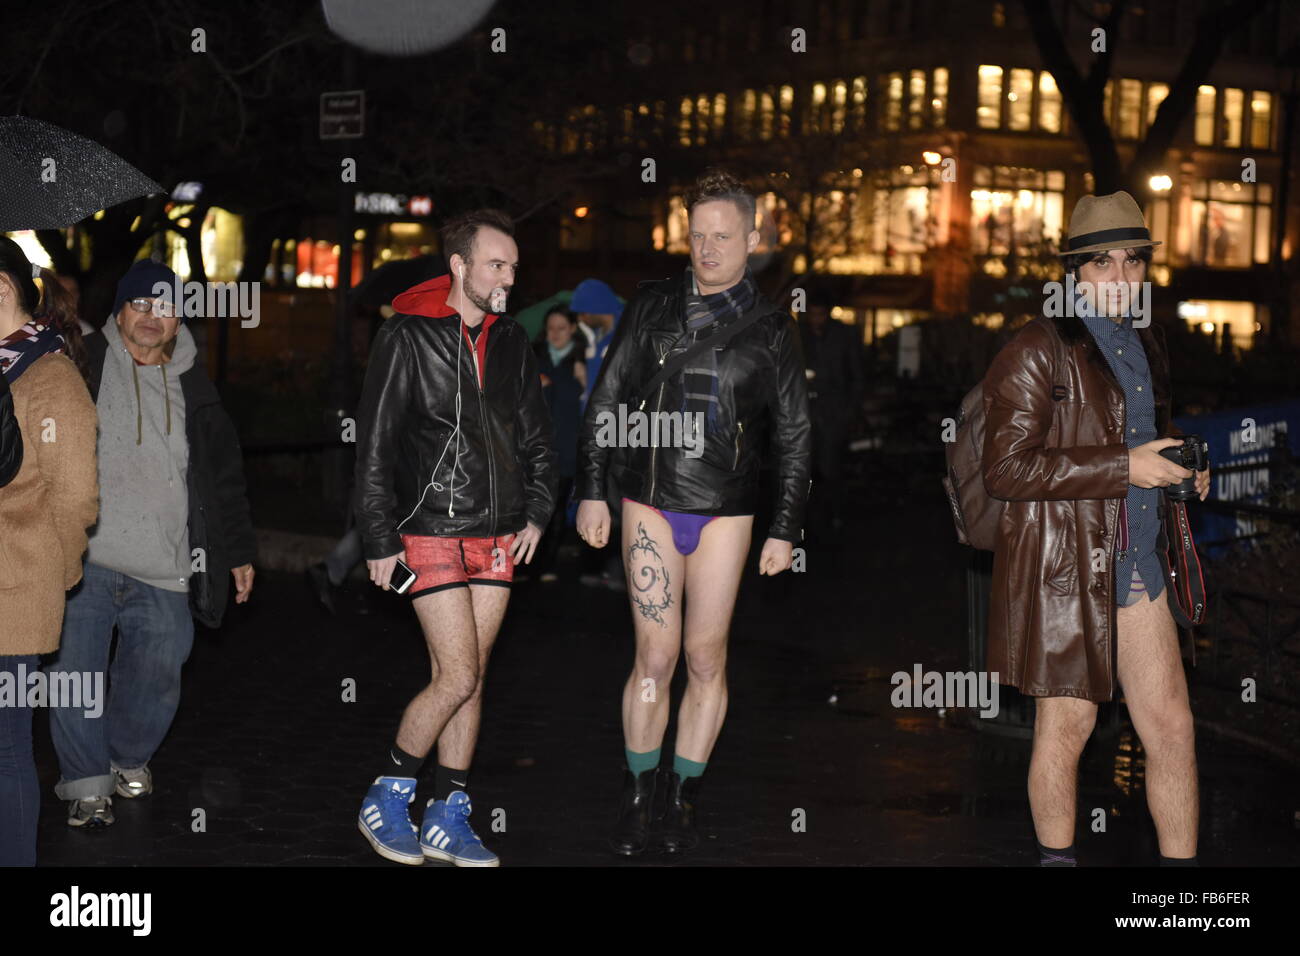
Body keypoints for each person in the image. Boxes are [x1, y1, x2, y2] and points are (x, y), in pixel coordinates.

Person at [576, 169, 811, 856]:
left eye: (722, 237)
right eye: (697, 236)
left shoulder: (772, 328)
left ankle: (682, 800)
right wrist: (591, 487)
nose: (707, 249)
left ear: (752, 239)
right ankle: (638, 797)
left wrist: (786, 526)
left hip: (728, 510)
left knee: (706, 659)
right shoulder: (650, 303)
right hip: (648, 499)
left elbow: (795, 434)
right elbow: (609, 398)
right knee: (656, 654)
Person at [982, 190, 1209, 867]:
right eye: (1103, 263)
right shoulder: (1036, 347)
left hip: (1138, 564)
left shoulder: (1146, 344)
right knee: (1068, 728)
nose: (1121, 279)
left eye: (1133, 263)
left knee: (1172, 729)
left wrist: (1176, 466)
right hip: (1067, 569)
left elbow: (1140, 439)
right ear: (1074, 271)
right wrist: (1124, 467)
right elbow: (1006, 469)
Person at [353, 208, 555, 867]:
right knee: (457, 673)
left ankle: (448, 811)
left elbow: (538, 439)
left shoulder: (513, 343)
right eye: (497, 264)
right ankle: (388, 790)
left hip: (498, 534)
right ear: (460, 266)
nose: (509, 277)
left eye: (515, 267)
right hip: (431, 527)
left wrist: (538, 511)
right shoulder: (407, 338)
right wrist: (379, 539)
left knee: (475, 678)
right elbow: (375, 447)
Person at [46, 258, 257, 829]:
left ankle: (126, 757)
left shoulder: (196, 385)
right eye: (141, 304)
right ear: (119, 311)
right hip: (84, 559)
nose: (151, 318)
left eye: (165, 309)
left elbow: (222, 476)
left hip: (167, 562)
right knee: (75, 675)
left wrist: (237, 551)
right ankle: (87, 783)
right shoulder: (83, 361)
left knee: (161, 672)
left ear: (179, 320)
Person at [0, 238, 99, 865]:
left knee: (7, 747)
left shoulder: (50, 375)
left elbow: (77, 498)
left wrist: (53, 574)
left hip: (14, 593)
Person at [798, 295, 864, 540]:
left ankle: (833, 515)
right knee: (804, 466)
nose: (816, 319)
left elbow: (855, 373)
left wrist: (850, 410)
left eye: (820, 314)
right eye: (812, 314)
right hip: (806, 409)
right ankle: (808, 517)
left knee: (831, 466)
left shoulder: (842, 336)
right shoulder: (801, 334)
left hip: (833, 409)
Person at [532, 307, 586, 582]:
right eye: (551, 327)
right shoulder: (534, 358)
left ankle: (545, 567)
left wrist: (576, 380)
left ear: (573, 329)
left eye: (562, 328)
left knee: (554, 511)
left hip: (565, 448)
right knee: (529, 508)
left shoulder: (582, 362)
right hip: (533, 450)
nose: (555, 334)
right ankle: (525, 564)